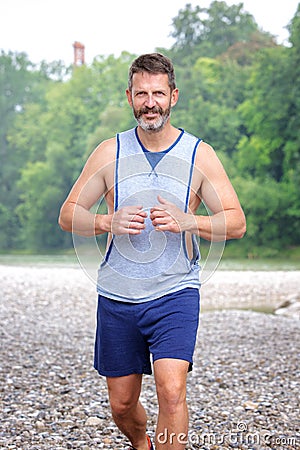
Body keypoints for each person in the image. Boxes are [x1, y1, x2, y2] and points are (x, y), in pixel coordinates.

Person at [58, 53, 246, 450]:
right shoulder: (109, 153)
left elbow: (236, 222)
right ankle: (142, 443)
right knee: (122, 405)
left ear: (173, 96)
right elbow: (68, 214)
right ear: (129, 97)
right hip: (117, 296)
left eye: (158, 93)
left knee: (172, 390)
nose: (150, 102)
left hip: (176, 291)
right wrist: (105, 221)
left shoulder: (200, 155)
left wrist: (189, 221)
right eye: (142, 93)